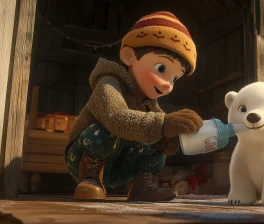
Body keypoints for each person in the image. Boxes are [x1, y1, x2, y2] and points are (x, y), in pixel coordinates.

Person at [64, 11, 203, 202]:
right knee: (103, 131)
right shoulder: (108, 83)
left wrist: (170, 139)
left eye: (174, 78)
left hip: (121, 164)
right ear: (129, 56)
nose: (167, 84)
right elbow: (115, 117)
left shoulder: (150, 104)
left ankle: (143, 186)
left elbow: (159, 129)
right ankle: (90, 179)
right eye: (161, 69)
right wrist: (164, 125)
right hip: (83, 157)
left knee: (158, 138)